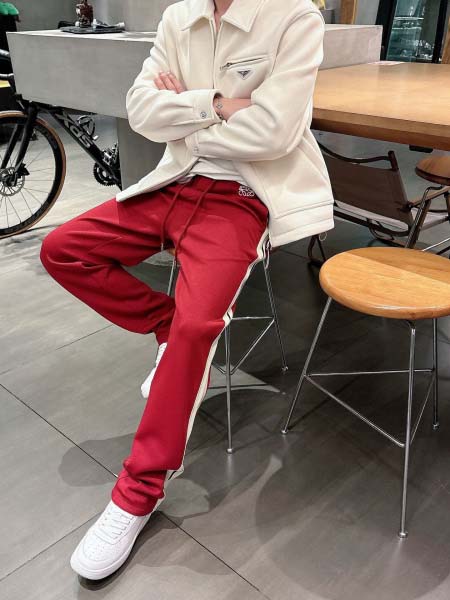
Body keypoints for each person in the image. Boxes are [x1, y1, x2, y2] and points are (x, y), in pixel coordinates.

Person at [40, 0, 333, 581]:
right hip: (173, 181)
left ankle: (137, 492)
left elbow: (276, 132)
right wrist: (219, 105)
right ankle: (163, 324)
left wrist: (185, 111)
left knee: (199, 326)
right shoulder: (181, 16)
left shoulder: (294, 15)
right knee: (63, 249)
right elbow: (141, 111)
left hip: (243, 197)